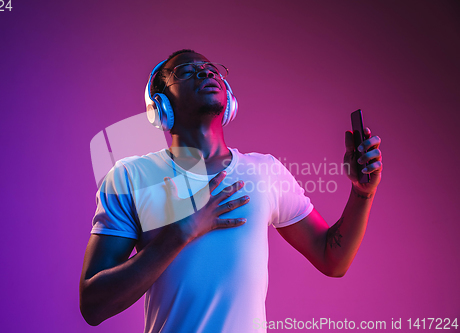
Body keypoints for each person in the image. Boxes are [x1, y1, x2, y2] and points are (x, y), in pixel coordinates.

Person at [79, 49, 383, 332]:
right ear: (160, 107)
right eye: (186, 71)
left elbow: (333, 259)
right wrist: (180, 233)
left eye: (211, 69)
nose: (205, 73)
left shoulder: (265, 170)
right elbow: (94, 305)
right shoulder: (131, 176)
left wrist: (362, 192)